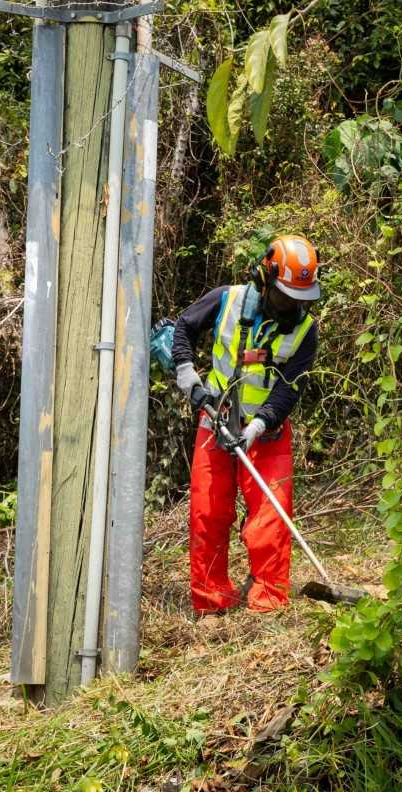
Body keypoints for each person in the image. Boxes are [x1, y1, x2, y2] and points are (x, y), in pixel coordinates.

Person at [170, 235, 321, 615]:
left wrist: (259, 426)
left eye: (301, 299)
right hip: (216, 420)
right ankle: (211, 601)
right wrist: (187, 373)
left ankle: (267, 602)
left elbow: (290, 388)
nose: (294, 306)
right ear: (265, 280)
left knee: (271, 516)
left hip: (267, 432)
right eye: (286, 297)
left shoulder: (305, 330)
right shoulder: (228, 300)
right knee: (208, 512)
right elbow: (183, 327)